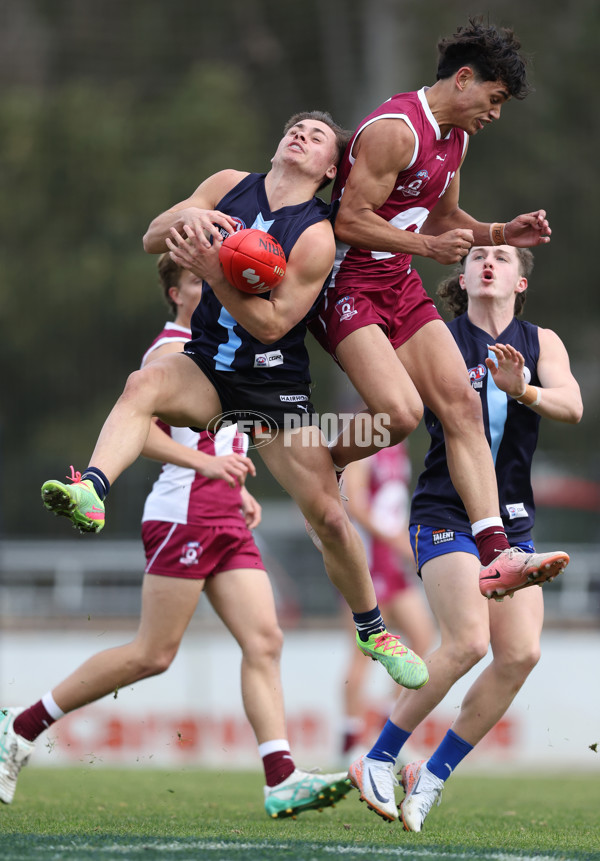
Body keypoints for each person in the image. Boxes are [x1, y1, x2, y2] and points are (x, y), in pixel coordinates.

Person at [39, 112, 429, 695]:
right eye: (295, 128)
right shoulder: (226, 186)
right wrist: (187, 215)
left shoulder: (317, 233)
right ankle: (92, 489)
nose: (301, 135)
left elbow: (273, 325)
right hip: (206, 369)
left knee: (327, 516)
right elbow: (151, 238)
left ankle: (373, 630)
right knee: (139, 385)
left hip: (272, 390)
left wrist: (214, 275)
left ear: (329, 169)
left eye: (317, 136)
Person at [2, 253, 353, 817]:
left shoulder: (223, 348)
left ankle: (280, 777)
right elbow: (141, 435)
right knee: (152, 654)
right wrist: (211, 470)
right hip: (183, 511)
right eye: (199, 281)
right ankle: (20, 726)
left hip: (225, 514)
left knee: (265, 641)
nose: (213, 287)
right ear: (176, 294)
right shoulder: (172, 350)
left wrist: (233, 484)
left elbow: (219, 430)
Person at [308, 18, 569, 601]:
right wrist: (427, 247)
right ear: (464, 79)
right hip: (346, 285)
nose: (495, 114)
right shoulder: (396, 130)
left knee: (462, 405)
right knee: (398, 415)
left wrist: (502, 230)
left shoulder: (457, 138)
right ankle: (321, 466)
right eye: (494, 99)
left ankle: (498, 555)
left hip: (396, 281)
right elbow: (347, 221)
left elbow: (447, 217)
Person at [347, 243, 583, 828]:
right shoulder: (438, 338)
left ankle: (431, 775)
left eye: (503, 258)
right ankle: (376, 758)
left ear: (519, 283)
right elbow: (386, 405)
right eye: (478, 254)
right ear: (463, 275)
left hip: (515, 524)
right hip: (445, 513)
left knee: (521, 653)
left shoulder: (540, 341)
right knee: (467, 642)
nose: (488, 263)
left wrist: (521, 388)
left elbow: (573, 406)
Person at [339, 442, 436, 761]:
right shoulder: (363, 444)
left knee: (423, 639)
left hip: (394, 567)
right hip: (368, 564)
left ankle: (387, 727)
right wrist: (401, 544)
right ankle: (351, 740)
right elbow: (357, 506)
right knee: (361, 652)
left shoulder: (402, 449)